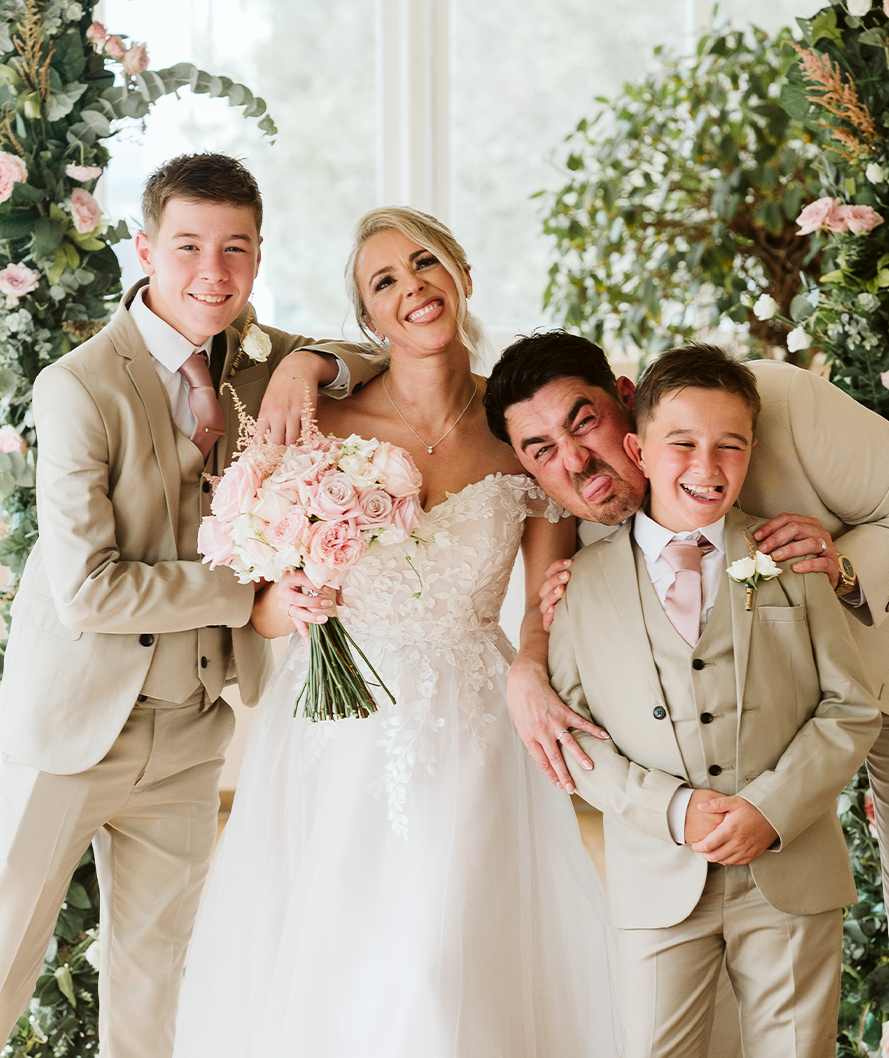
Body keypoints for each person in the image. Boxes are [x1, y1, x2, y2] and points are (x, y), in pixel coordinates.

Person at [0, 153, 377, 1058]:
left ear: (258, 256)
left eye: (237, 249)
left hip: (191, 731)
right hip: (72, 729)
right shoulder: (81, 386)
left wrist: (314, 363)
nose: (215, 272)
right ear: (145, 249)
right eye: (190, 246)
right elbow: (88, 590)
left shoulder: (260, 361)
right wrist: (247, 586)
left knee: (154, 982)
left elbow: (374, 362)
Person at [171, 208, 621, 1058]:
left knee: (443, 946)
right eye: (385, 281)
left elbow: (541, 600)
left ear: (462, 278)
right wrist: (287, 604)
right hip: (338, 728)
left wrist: (530, 666)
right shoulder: (321, 425)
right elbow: (261, 600)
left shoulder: (518, 428)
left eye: (425, 264)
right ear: (368, 320)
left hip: (475, 725)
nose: (411, 286)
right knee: (348, 940)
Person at [485, 331, 889, 1058]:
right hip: (765, 727)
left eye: (584, 421)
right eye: (542, 450)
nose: (574, 459)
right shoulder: (598, 506)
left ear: (625, 402)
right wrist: (525, 660)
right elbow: (579, 620)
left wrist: (838, 566)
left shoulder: (777, 402)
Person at [543, 343, 880, 1056]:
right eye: (683, 443)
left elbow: (850, 707)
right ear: (637, 447)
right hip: (656, 884)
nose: (706, 466)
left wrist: (772, 807)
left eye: (730, 446)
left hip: (790, 873)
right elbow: (577, 739)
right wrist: (669, 808)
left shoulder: (788, 554)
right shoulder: (580, 585)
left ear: (752, 450)